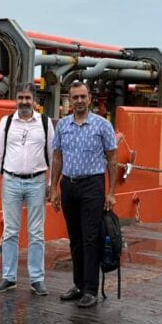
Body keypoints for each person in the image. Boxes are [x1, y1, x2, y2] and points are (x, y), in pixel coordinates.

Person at [50, 80, 118, 309]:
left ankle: (90, 289)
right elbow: (57, 157)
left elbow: (112, 159)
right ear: (70, 100)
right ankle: (78, 285)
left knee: (91, 239)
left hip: (92, 185)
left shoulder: (102, 125)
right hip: (69, 185)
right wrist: (54, 188)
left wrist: (111, 193)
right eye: (75, 97)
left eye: (83, 97)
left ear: (89, 98)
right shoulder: (63, 126)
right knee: (75, 239)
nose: (79, 101)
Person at [0, 83, 56, 295]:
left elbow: (53, 156)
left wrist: (52, 184)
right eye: (20, 98)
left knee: (36, 232)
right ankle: (9, 277)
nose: (24, 102)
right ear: (15, 99)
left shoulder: (44, 123)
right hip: (11, 181)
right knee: (10, 231)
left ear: (34, 100)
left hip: (37, 181)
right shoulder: (6, 122)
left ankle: (37, 279)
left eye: (27, 98)